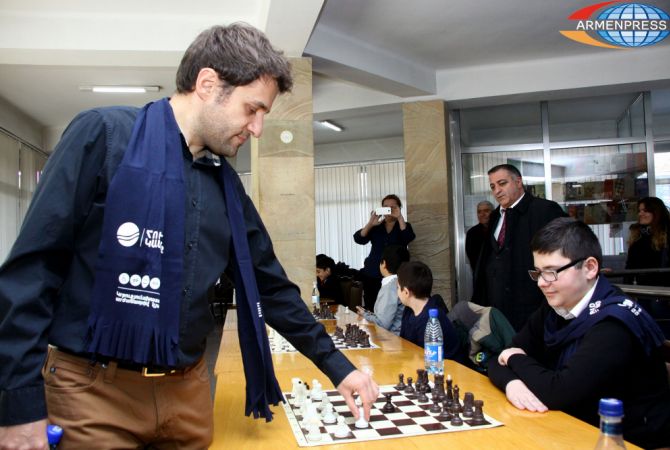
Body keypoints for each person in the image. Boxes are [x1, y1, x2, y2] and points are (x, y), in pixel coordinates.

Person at [0, 23, 378, 449]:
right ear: (207, 84)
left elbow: (271, 287)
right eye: (252, 109)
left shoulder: (227, 187)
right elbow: (32, 271)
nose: (257, 128)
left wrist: (339, 367)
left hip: (189, 393)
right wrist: (18, 405)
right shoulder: (104, 136)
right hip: (92, 392)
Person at [488, 217, 670, 449]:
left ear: (590, 268)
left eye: (551, 272)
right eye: (538, 272)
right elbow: (497, 360)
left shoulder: (614, 323)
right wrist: (512, 383)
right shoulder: (555, 308)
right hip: (571, 426)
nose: (541, 283)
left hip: (624, 441)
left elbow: (558, 392)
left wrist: (515, 358)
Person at [476, 164, 565, 331]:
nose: (497, 191)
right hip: (497, 309)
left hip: (532, 309)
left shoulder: (544, 210)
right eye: (493, 186)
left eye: (502, 183)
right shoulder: (494, 216)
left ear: (518, 182)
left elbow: (567, 251)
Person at [353, 194, 415, 311]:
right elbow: (359, 239)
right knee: (371, 306)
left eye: (393, 207)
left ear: (399, 208)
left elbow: (408, 238)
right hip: (373, 272)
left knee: (394, 307)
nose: (389, 209)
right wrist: (370, 223)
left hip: (396, 274)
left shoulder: (404, 225)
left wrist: (400, 217)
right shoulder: (376, 226)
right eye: (385, 207)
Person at [396, 261, 463, 362]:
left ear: (406, 292)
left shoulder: (431, 319)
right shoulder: (409, 310)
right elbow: (404, 344)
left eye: (397, 287)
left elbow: (428, 360)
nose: (397, 291)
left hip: (446, 367)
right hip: (416, 361)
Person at [624, 196, 670, 338]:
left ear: (656, 212)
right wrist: (626, 290)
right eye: (639, 211)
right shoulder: (638, 235)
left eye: (645, 210)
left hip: (663, 292)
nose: (641, 214)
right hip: (643, 291)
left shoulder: (665, 235)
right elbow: (630, 265)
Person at [355, 245, 409, 335]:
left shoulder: (390, 287)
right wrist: (368, 313)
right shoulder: (403, 281)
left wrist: (365, 314)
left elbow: (383, 324)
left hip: (392, 338)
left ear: (383, 263)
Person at [465, 200, 493, 272]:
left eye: (486, 211)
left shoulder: (499, 229)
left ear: (493, 212)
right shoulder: (471, 233)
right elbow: (472, 259)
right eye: (479, 212)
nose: (482, 214)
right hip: (481, 275)